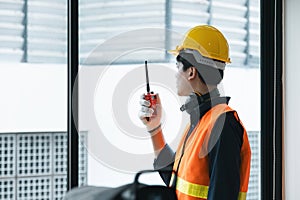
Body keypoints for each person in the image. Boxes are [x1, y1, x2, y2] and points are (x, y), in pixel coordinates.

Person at [139, 25, 251, 200]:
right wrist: (154, 128)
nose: (176, 75)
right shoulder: (202, 120)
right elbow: (175, 180)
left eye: (178, 67)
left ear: (191, 72)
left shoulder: (222, 124)